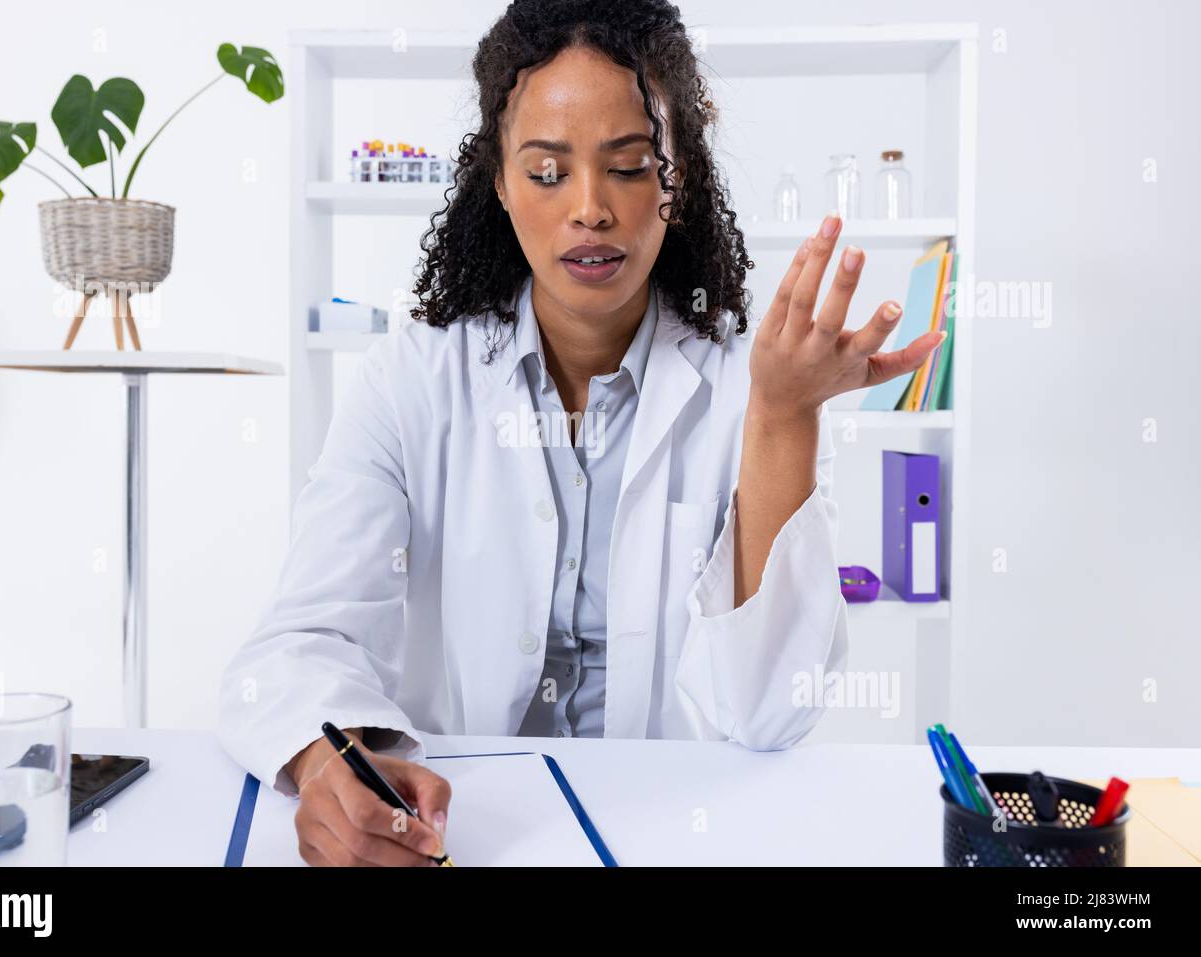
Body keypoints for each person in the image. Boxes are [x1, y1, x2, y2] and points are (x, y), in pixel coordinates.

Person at [219, 0, 945, 867]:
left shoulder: (752, 385)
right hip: (464, 829)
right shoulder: (411, 378)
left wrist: (785, 418)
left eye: (631, 166)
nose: (591, 209)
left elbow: (770, 711)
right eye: (548, 170)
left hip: (676, 828)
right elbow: (299, 643)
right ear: (497, 178)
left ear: (679, 181)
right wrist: (326, 759)